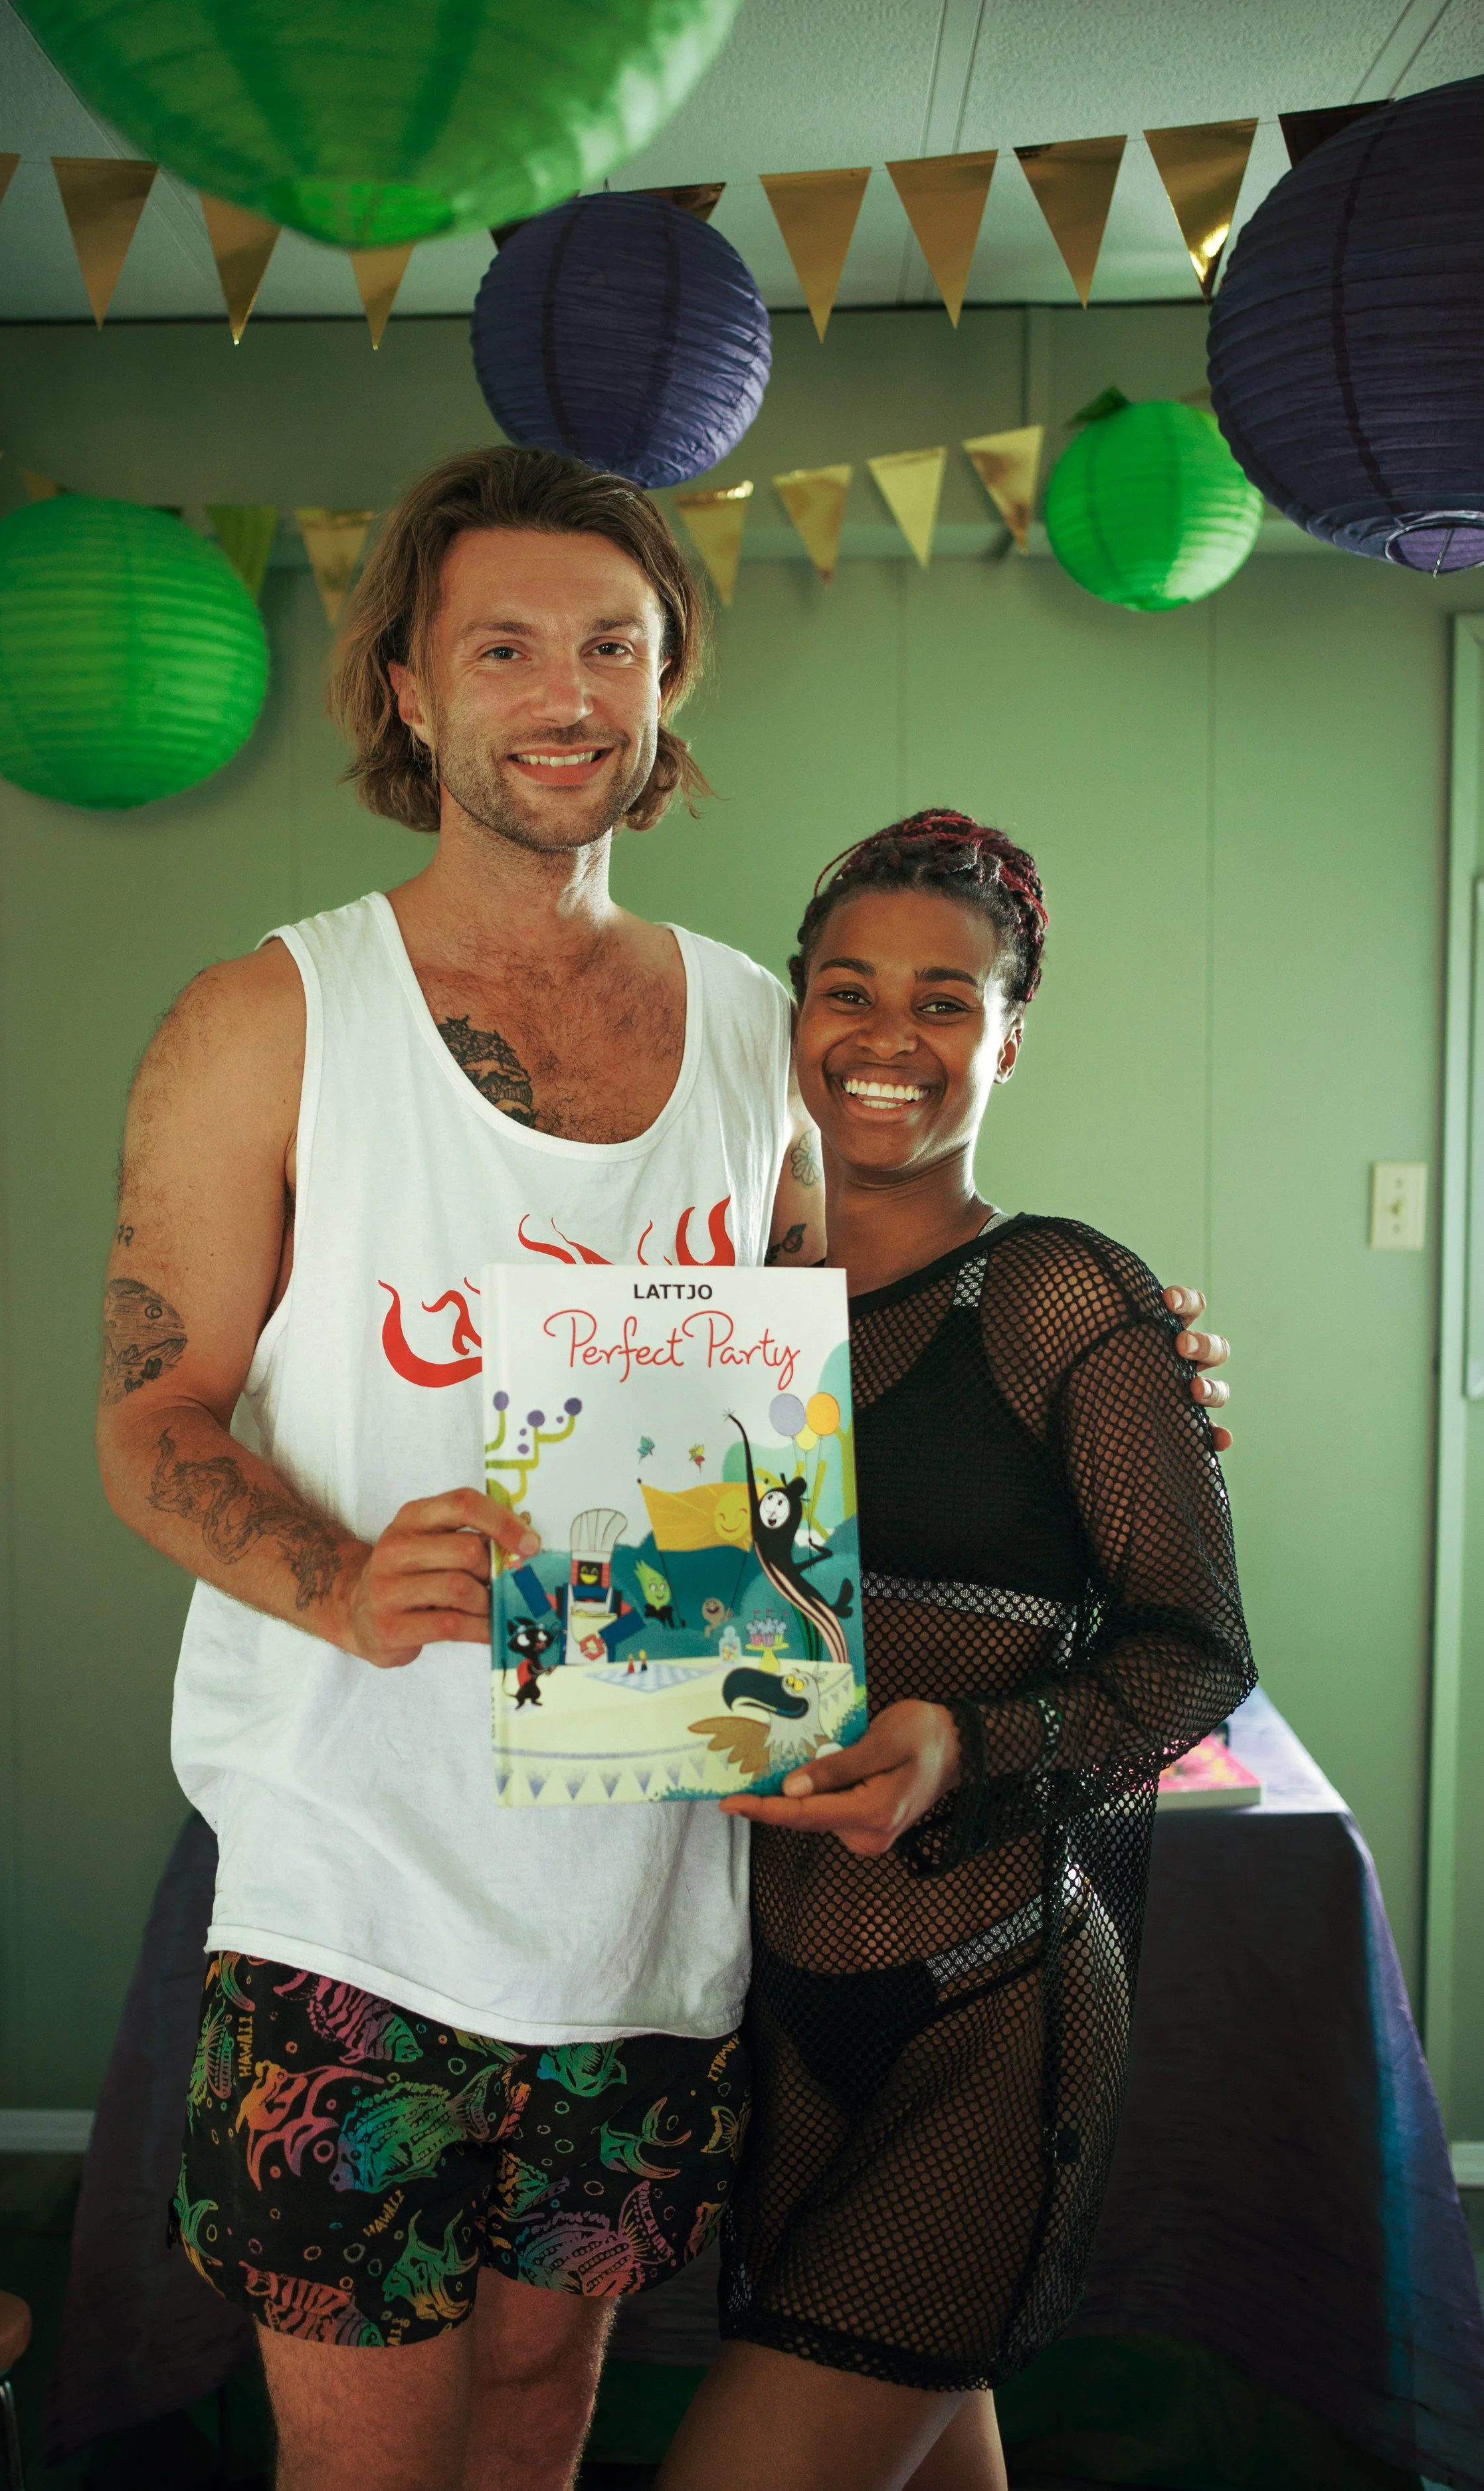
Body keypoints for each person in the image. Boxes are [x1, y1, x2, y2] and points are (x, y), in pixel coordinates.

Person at [94, 448, 1230, 2491]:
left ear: (665, 686)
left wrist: (1129, 1371)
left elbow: (842, 1369)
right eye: (504, 643)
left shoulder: (745, 1027)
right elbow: (148, 1419)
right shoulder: (268, 1016)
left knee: (540, 2422)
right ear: (411, 693)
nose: (564, 689)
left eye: (612, 643)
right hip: (353, 1891)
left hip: (657, 1908)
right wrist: (345, 1578)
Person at [658, 814, 1255, 2491]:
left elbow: (1192, 1653)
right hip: (774, 2009)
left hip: (988, 2005)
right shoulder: (709, 1309)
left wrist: (963, 1748)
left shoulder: (1067, 1298)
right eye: (846, 991)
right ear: (793, 1021)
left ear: (1006, 1035)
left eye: (944, 999)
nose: (887, 1039)